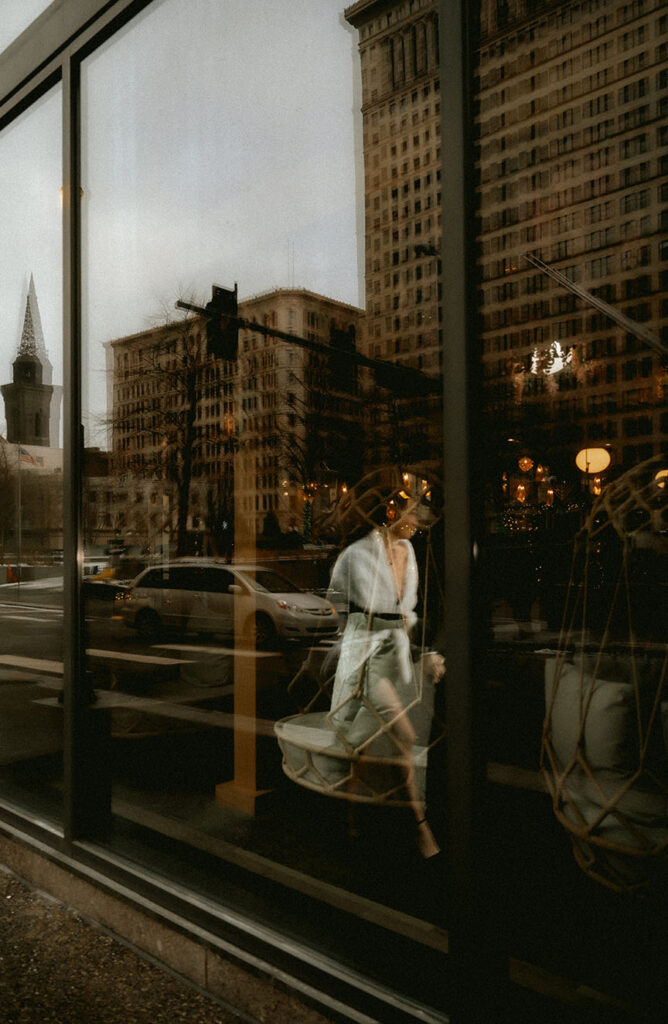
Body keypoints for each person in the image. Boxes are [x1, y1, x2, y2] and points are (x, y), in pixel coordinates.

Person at [327, 493, 445, 858]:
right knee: (406, 735)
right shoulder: (356, 555)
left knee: (381, 744)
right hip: (367, 658)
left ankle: (351, 809)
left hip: (397, 658)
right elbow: (337, 602)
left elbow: (406, 614)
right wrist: (357, 637)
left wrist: (423, 654)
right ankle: (420, 826)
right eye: (413, 511)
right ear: (390, 513)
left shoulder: (408, 554)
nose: (418, 520)